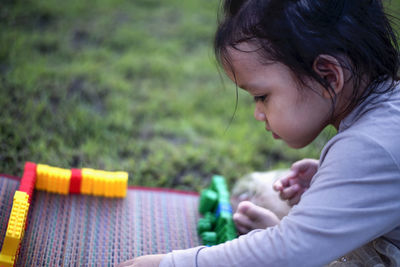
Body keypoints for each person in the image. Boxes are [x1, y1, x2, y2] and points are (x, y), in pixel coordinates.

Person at [118, 0, 400, 266]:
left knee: (262, 206)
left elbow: (290, 252)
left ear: (328, 76)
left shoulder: (371, 146)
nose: (258, 113)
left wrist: (171, 263)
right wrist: (330, 178)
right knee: (259, 195)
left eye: (262, 96)